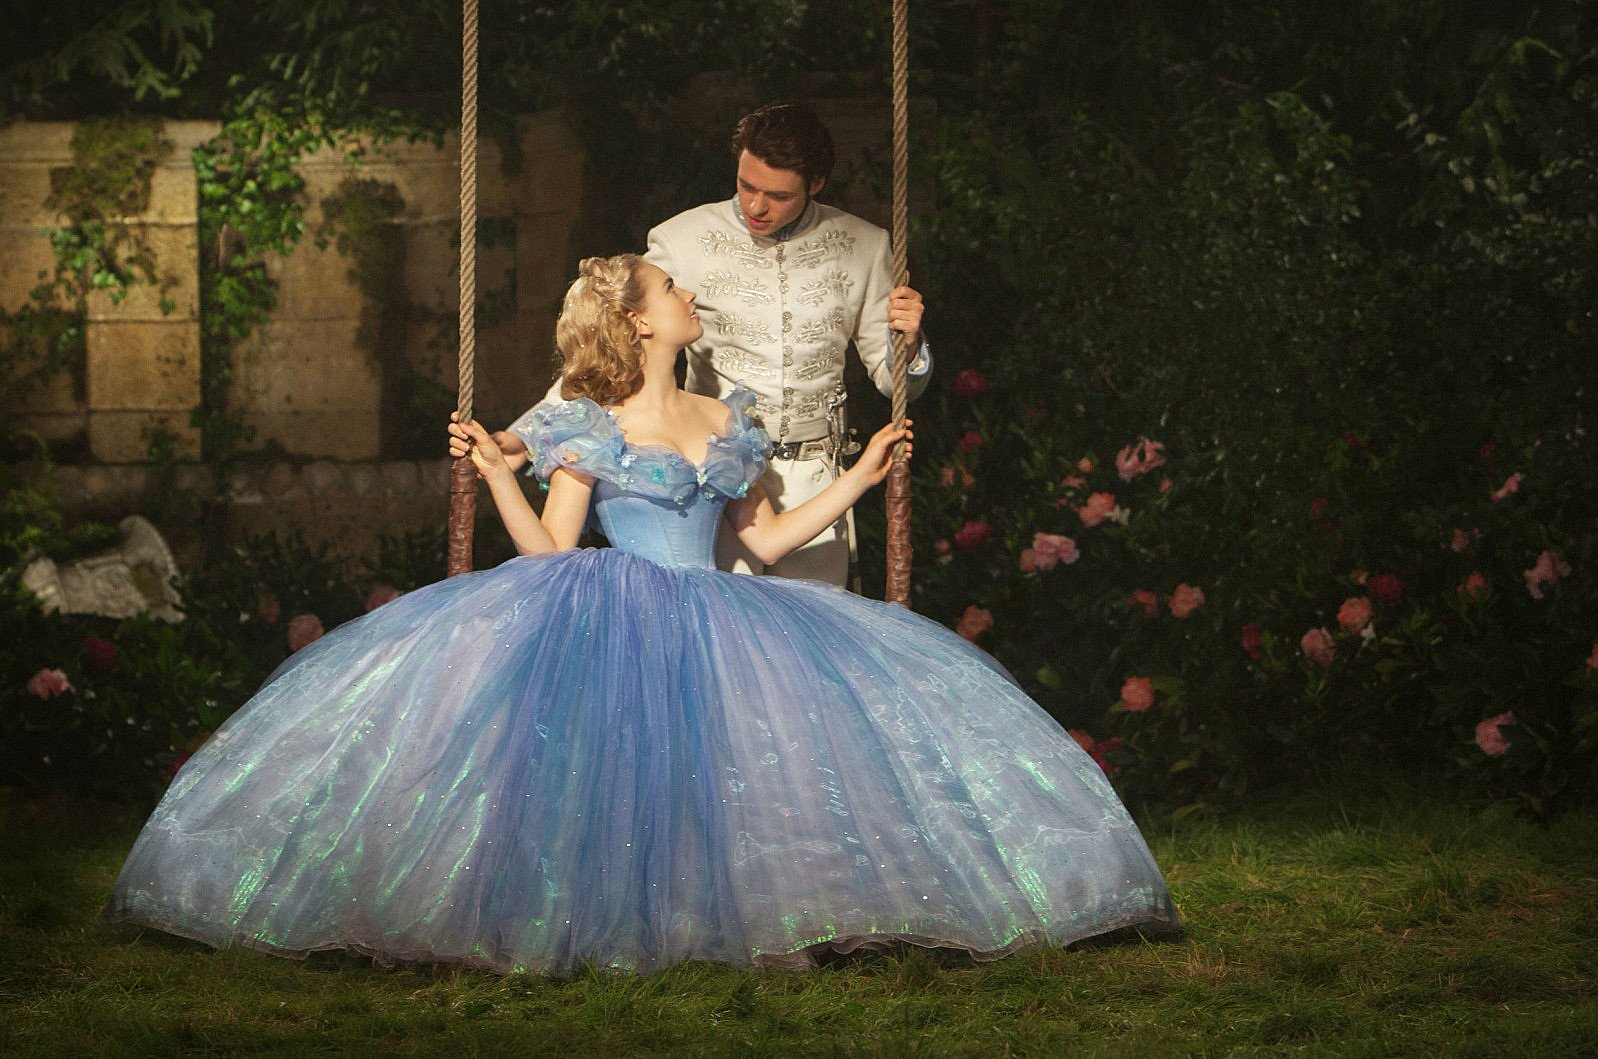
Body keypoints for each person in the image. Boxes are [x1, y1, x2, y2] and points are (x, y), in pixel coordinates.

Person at [105, 255, 1179, 976]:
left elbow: (761, 543)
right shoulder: (587, 420)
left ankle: (728, 916)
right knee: (604, 775)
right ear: (636, 318)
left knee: (735, 776)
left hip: (719, 609)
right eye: (670, 287)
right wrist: (499, 473)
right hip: (612, 603)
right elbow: (549, 550)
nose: (686, 295)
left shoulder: (724, 416)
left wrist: (858, 476)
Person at [495, 102, 932, 588]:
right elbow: (611, 336)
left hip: (814, 475)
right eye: (746, 186)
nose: (756, 207)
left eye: (778, 195)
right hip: (706, 479)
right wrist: (525, 435)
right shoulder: (682, 238)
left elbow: (896, 383)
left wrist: (909, 344)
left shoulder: (866, 246)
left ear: (816, 184)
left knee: (809, 629)